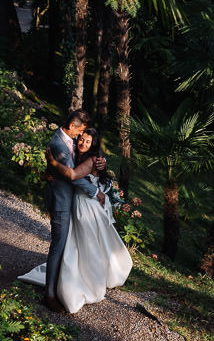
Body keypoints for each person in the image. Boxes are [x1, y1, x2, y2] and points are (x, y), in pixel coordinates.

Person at [19, 126, 132, 314]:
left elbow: (72, 175)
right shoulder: (77, 155)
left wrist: (53, 164)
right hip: (78, 203)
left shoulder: (90, 160)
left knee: (86, 245)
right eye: (82, 139)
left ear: (93, 145)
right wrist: (51, 173)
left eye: (88, 141)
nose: (82, 143)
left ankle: (87, 281)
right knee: (79, 244)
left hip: (86, 206)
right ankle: (74, 275)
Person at [18, 109, 104, 313]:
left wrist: (99, 160)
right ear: (73, 126)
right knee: (58, 245)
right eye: (79, 132)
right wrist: (96, 192)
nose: (79, 137)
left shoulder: (69, 139)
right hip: (61, 202)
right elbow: (72, 175)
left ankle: (62, 285)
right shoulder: (59, 143)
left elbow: (82, 156)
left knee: (66, 245)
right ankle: (49, 295)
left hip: (69, 200)